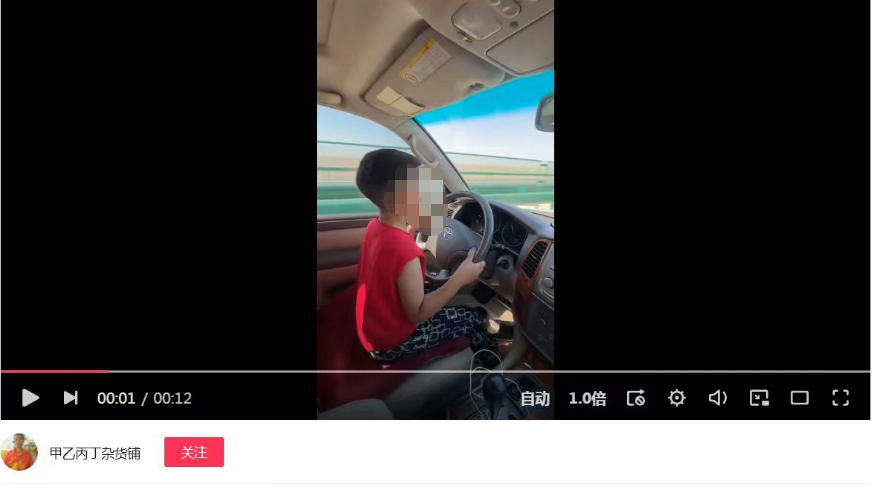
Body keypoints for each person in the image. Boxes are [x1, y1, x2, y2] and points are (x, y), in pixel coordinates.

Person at [354, 149, 497, 364]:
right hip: (393, 343)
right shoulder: (405, 251)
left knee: (433, 286)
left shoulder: (375, 227)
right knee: (470, 318)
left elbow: (391, 259)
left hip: (374, 330)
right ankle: (494, 366)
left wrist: (412, 229)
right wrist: (461, 278)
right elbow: (418, 314)